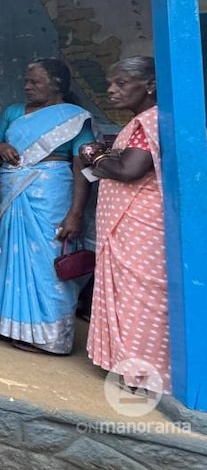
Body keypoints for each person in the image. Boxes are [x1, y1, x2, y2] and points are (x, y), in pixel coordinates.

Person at [0, 58, 95, 355]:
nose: (27, 86)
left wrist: (75, 213)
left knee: (48, 258)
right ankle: (6, 324)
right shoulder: (14, 112)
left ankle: (49, 337)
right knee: (8, 256)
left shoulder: (75, 118)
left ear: (56, 85)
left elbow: (82, 164)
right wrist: (1, 146)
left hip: (52, 194)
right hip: (12, 191)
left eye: (35, 81)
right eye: (26, 81)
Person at [82, 56, 169, 394]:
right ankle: (130, 365)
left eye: (121, 83)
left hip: (139, 229)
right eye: (110, 82)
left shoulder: (151, 122)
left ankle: (145, 372)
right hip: (126, 228)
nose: (111, 89)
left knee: (141, 297)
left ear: (149, 85)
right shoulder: (141, 122)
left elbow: (128, 171)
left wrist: (95, 156)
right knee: (128, 295)